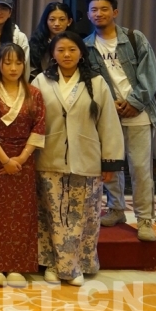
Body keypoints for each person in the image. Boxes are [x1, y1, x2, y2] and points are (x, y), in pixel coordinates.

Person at [32, 31, 125, 285]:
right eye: (60, 50)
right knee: (52, 215)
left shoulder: (97, 82)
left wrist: (110, 161)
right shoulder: (41, 81)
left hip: (87, 159)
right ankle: (52, 263)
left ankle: (78, 264)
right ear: (53, 54)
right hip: (49, 159)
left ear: (81, 53)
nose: (66, 55)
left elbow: (108, 123)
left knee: (82, 216)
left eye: (72, 49)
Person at [84, 0, 156, 242]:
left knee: (140, 168)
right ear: (88, 15)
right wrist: (108, 104)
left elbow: (149, 74)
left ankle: (145, 219)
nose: (99, 14)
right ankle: (116, 209)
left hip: (139, 112)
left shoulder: (134, 38)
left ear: (114, 12)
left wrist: (135, 102)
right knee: (111, 165)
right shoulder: (86, 46)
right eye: (94, 10)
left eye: (104, 9)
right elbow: (90, 82)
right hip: (109, 114)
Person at [0, 43, 46, 288]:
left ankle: (17, 265)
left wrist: (21, 158)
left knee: (21, 212)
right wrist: (5, 159)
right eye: (8, 62)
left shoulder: (34, 93)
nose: (13, 68)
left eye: (18, 62)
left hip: (24, 160)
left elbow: (39, 127)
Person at [28, 2, 74, 80]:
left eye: (62, 19)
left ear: (69, 22)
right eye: (52, 19)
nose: (57, 24)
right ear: (46, 21)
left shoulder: (76, 44)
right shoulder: (35, 44)